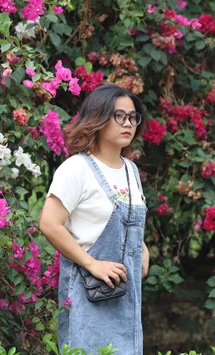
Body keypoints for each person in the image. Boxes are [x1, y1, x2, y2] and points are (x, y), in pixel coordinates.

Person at [39, 83, 149, 354]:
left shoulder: (131, 171)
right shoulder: (77, 168)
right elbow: (49, 223)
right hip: (89, 298)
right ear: (98, 118)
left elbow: (131, 224)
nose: (128, 123)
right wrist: (93, 264)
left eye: (133, 117)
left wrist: (142, 253)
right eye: (119, 116)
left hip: (128, 297)